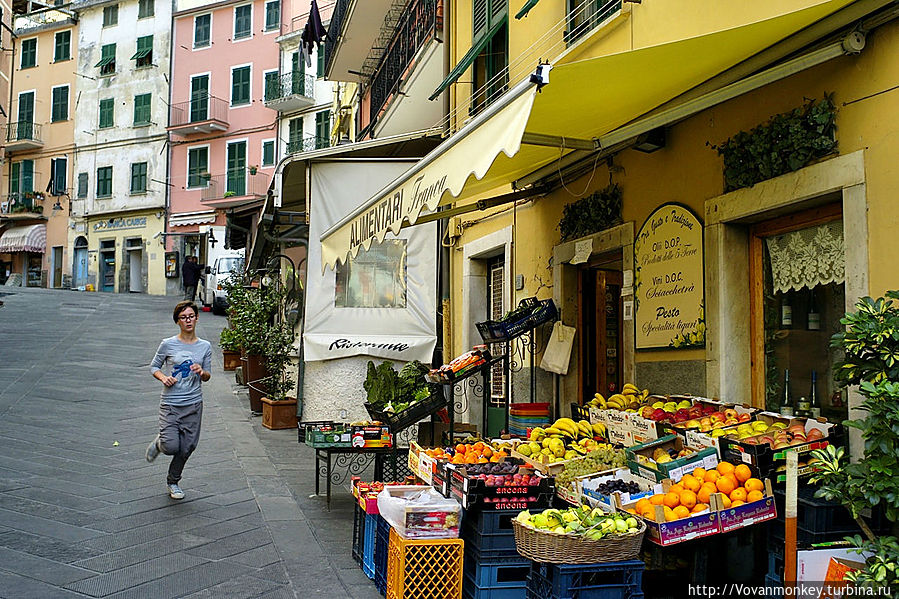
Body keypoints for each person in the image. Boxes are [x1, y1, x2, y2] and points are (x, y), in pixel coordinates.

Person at [146, 301, 212, 500]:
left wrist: (202, 372)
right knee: (171, 446)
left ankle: (173, 481)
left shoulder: (205, 346)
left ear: (197, 318)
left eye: (191, 316)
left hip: (193, 404)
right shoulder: (168, 344)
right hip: (170, 404)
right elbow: (153, 367)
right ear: (178, 321)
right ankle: (159, 444)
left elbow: (208, 375)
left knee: (188, 447)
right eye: (183, 317)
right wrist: (163, 378)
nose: (188, 320)